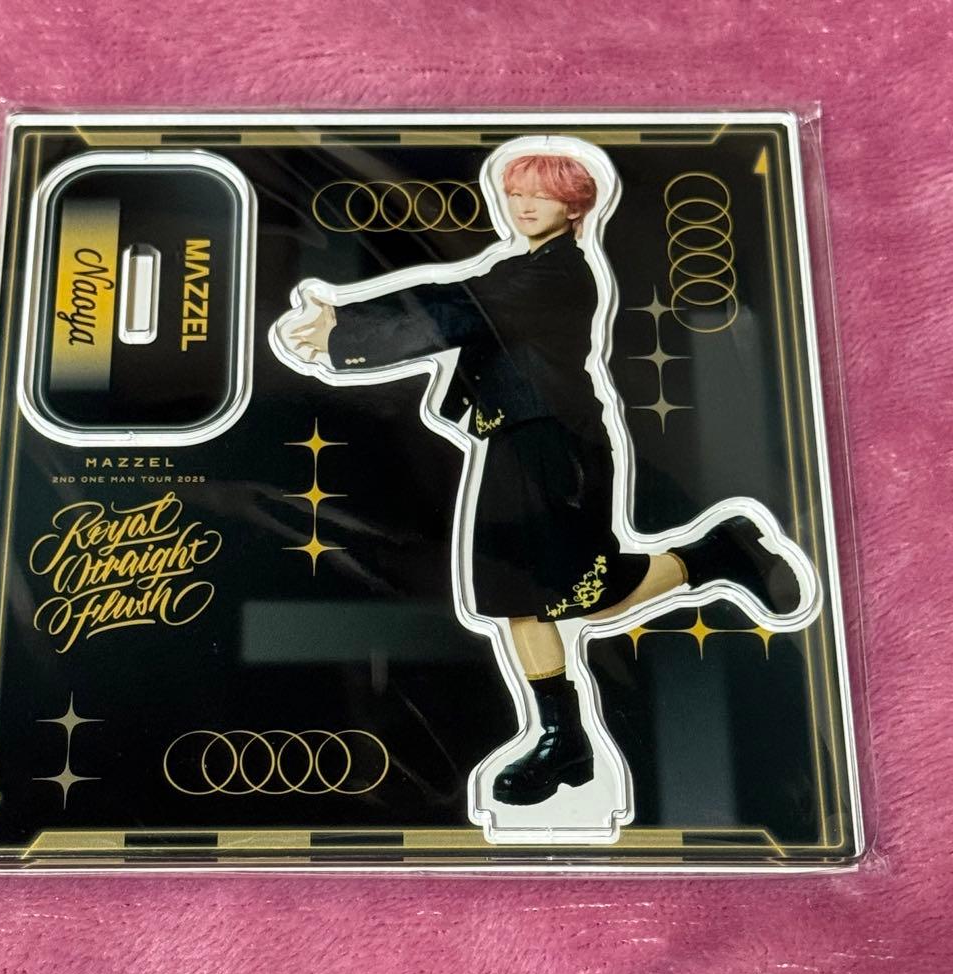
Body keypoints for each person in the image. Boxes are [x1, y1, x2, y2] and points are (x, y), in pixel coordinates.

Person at [283, 151, 804, 808]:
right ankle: (564, 740)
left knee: (591, 597)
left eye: (542, 195)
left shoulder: (559, 273)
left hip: (558, 449)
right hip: (510, 444)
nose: (525, 206)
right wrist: (342, 315)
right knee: (515, 597)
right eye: (516, 193)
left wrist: (341, 332)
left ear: (574, 204)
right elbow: (449, 295)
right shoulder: (515, 266)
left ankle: (716, 552)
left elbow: (459, 312)